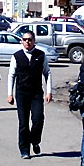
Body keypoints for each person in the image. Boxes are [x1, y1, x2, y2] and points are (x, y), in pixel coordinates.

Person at [7, 30, 52, 159]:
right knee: (23, 123)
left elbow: (47, 73)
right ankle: (24, 149)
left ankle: (35, 140)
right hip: (22, 93)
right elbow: (11, 75)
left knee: (38, 119)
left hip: (36, 93)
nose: (27, 42)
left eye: (30, 40)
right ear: (22, 41)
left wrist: (49, 91)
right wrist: (10, 94)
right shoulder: (17, 56)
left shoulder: (40, 55)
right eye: (25, 40)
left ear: (34, 41)